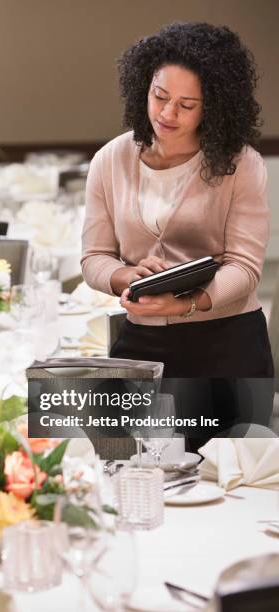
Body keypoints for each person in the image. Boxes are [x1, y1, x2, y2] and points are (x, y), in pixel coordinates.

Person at [81, 22, 274, 449]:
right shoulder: (111, 160)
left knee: (230, 479)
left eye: (187, 105)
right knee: (131, 466)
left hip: (227, 344)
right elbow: (94, 258)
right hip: (143, 341)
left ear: (215, 107)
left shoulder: (241, 165)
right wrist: (125, 276)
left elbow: (244, 268)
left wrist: (188, 302)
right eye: (160, 97)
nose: (167, 114)